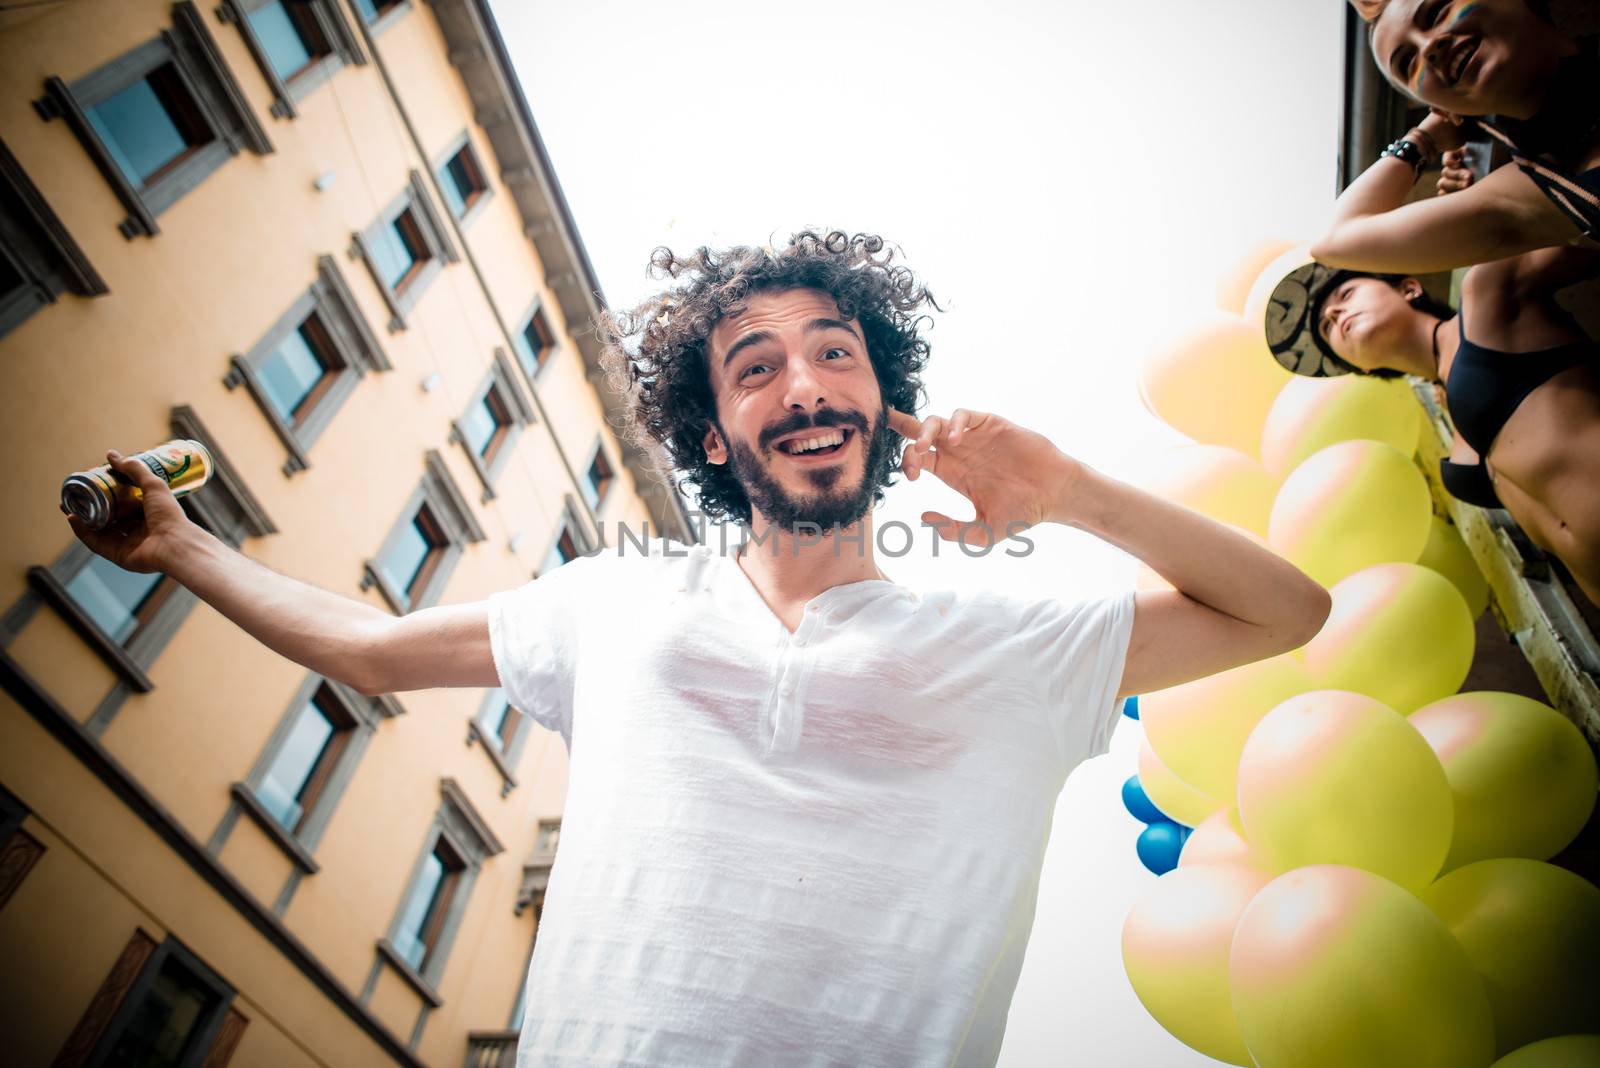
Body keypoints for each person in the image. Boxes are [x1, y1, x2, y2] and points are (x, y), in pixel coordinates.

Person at [70, 231, 1330, 1066]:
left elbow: (1283, 610)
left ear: (883, 408)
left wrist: (1071, 494)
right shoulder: (612, 603)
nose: (805, 384)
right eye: (757, 367)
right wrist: (181, 549)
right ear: (718, 435)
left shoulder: (1009, 645)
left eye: (837, 353)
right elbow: (371, 648)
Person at [1264, 243, 1600, 604]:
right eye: (1327, 327)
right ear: (1361, 368)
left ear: (1409, 288)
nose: (1334, 311)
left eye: (1346, 293)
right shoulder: (1453, 413)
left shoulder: (1485, 297)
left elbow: (1584, 228)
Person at [1313, 0, 1599, 273]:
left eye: (1437, 12)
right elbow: (1335, 241)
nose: (1428, 48)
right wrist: (1424, 139)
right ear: (1438, 107)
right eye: (1408, 63)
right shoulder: (1539, 187)